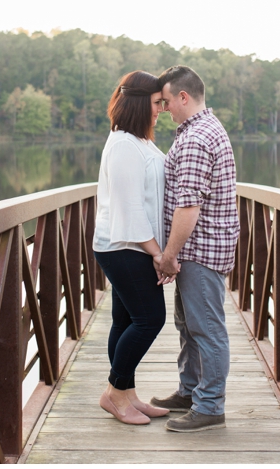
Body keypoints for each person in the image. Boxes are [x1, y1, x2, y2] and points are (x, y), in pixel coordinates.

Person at [150, 65, 240, 433]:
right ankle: (190, 392)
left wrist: (168, 256)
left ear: (183, 97)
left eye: (167, 101)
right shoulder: (201, 130)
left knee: (206, 330)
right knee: (189, 326)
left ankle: (209, 406)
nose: (164, 108)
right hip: (201, 249)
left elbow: (188, 207)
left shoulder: (195, 139)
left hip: (199, 251)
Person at [92, 70, 176, 425]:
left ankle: (127, 395)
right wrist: (159, 254)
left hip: (129, 244)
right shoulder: (125, 145)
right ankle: (114, 393)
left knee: (125, 319)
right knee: (149, 319)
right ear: (141, 102)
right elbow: (130, 208)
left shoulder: (138, 140)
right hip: (123, 245)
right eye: (157, 103)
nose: (161, 110)